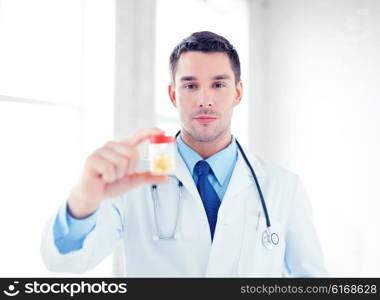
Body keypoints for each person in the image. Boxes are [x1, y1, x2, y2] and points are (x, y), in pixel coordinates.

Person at [41, 31, 327, 277]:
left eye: (218, 84)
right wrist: (82, 201)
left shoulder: (282, 186)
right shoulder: (129, 183)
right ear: (173, 94)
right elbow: (65, 261)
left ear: (238, 93)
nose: (204, 100)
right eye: (190, 86)